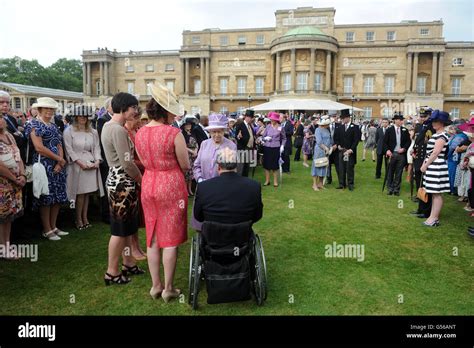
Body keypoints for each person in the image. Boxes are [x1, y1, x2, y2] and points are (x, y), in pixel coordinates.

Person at [135, 83, 190, 302]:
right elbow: (185, 165)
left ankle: (155, 286)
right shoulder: (173, 132)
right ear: (166, 111)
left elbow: (142, 159)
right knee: (171, 239)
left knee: (153, 237)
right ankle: (168, 289)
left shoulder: (139, 132)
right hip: (170, 185)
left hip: (148, 184)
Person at [101, 92, 144, 286]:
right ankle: (112, 272)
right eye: (133, 107)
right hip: (122, 182)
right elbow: (127, 163)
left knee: (127, 227)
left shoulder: (110, 126)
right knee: (119, 230)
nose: (136, 111)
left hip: (120, 180)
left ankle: (128, 263)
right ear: (123, 108)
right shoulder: (117, 130)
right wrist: (141, 179)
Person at [24, 97, 69, 241]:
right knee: (46, 198)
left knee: (57, 197)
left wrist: (60, 162)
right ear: (40, 110)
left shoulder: (54, 126)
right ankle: (47, 229)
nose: (49, 111)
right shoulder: (34, 125)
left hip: (57, 165)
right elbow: (39, 148)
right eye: (46, 109)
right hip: (43, 165)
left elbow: (59, 144)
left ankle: (54, 226)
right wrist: (59, 159)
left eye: (51, 109)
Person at [194, 147, 263, 225]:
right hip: (242, 235)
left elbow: (198, 216)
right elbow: (257, 216)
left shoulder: (204, 187)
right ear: (236, 166)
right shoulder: (253, 186)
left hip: (213, 235)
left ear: (218, 167)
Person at [63, 105, 104, 230]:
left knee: (87, 193)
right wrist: (79, 162)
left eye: (85, 116)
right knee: (80, 193)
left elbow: (97, 147)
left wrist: (97, 160)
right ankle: (78, 219)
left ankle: (85, 218)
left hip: (91, 163)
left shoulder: (93, 131)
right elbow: (68, 149)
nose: (83, 118)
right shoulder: (69, 131)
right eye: (80, 116)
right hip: (77, 165)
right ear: (75, 117)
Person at [420, 110, 452, 227]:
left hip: (436, 165)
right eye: (433, 121)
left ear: (442, 123)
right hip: (434, 165)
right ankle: (432, 217)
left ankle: (434, 218)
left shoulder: (442, 135)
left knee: (437, 194)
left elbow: (435, 153)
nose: (433, 123)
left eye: (436, 121)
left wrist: (425, 165)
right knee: (434, 193)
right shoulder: (437, 134)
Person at [0, 116, 25, 259]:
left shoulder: (9, 135)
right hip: (3, 182)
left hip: (14, 183)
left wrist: (22, 175)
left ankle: (7, 247)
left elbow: (18, 157)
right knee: (2, 217)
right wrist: (13, 178)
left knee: (9, 216)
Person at [124, 106, 147, 261]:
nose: (139, 121)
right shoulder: (124, 133)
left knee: (137, 213)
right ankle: (132, 248)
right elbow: (128, 160)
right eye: (136, 118)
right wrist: (144, 163)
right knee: (131, 214)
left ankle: (137, 246)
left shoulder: (135, 131)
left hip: (141, 173)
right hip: (132, 175)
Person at [384, 113, 411, 196]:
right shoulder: (389, 130)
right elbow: (384, 142)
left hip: (401, 155)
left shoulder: (405, 130)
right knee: (390, 172)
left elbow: (408, 142)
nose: (401, 121)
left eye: (402, 120)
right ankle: (390, 188)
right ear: (395, 120)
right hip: (392, 154)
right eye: (400, 120)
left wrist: (404, 148)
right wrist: (387, 150)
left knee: (399, 172)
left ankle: (396, 189)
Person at [333, 110, 361, 191]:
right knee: (341, 168)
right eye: (342, 118)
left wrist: (351, 150)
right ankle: (342, 184)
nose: (342, 120)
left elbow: (356, 140)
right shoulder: (339, 127)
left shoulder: (355, 127)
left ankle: (350, 184)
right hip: (341, 151)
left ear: (348, 118)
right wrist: (338, 145)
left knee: (349, 168)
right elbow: (336, 138)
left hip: (350, 152)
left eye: (344, 118)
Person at [97, 97, 113, 224]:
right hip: (106, 159)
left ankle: (112, 212)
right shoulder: (102, 120)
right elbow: (104, 141)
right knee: (106, 186)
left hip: (113, 158)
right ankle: (105, 214)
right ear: (108, 107)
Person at [261, 112, 286, 187]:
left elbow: (284, 138)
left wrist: (282, 146)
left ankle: (275, 181)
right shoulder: (268, 126)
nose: (272, 121)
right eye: (271, 119)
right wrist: (265, 138)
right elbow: (263, 137)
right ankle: (267, 181)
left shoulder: (280, 127)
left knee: (275, 165)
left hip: (276, 148)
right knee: (267, 165)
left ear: (276, 120)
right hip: (267, 147)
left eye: (273, 119)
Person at [311, 116, 335, 191]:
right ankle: (314, 184)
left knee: (324, 166)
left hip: (326, 152)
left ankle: (320, 184)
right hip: (319, 151)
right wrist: (325, 148)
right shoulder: (318, 130)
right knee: (317, 165)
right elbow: (319, 141)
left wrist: (330, 147)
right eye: (327, 123)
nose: (328, 125)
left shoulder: (327, 130)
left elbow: (330, 140)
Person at [235, 109, 256, 177]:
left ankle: (245, 181)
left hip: (249, 148)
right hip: (243, 149)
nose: (252, 119)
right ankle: (239, 182)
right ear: (247, 117)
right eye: (251, 118)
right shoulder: (240, 125)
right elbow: (236, 136)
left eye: (252, 118)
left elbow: (251, 135)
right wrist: (238, 136)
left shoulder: (250, 126)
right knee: (240, 168)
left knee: (246, 167)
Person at [181, 116, 199, 196]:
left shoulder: (193, 133)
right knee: (186, 174)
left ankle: (190, 189)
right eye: (187, 125)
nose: (189, 126)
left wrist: (196, 150)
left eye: (190, 125)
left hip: (193, 155)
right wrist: (191, 151)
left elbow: (197, 143)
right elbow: (183, 146)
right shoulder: (182, 134)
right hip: (187, 155)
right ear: (184, 126)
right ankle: (185, 190)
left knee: (191, 174)